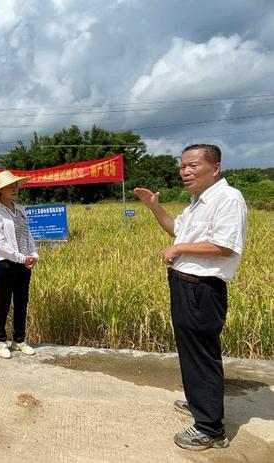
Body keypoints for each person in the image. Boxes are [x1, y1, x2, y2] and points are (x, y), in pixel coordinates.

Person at [134, 144, 246, 451]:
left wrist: (180, 250)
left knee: (201, 354)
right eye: (182, 166)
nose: (185, 171)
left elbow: (226, 245)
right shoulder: (198, 201)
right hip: (185, 285)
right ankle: (201, 405)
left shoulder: (228, 198)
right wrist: (155, 207)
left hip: (202, 288)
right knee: (191, 351)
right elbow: (177, 231)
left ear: (216, 167)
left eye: (193, 165)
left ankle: (211, 429)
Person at [0, 171, 39, 359]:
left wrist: (33, 254)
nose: (14, 189)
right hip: (4, 263)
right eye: (10, 186)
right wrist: (20, 257)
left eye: (15, 185)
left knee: (22, 301)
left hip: (24, 262)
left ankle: (20, 339)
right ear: (0, 191)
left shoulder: (21, 209)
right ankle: (1, 341)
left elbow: (28, 234)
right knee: (4, 302)